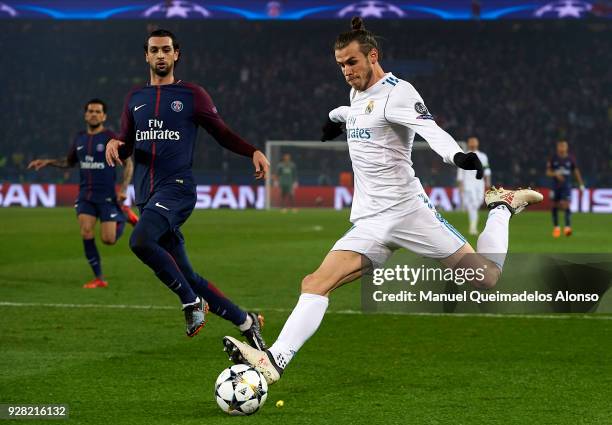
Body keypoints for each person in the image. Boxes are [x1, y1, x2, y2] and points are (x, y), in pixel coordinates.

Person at [222, 17, 543, 385]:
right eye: (340, 64)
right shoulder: (356, 93)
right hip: (371, 221)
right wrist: (334, 120)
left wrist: (456, 157)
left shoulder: (399, 93)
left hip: (409, 213)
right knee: (314, 283)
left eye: (352, 62)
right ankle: (273, 361)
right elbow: (352, 112)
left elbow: (430, 129)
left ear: (373, 56)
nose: (346, 71)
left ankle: (501, 206)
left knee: (485, 278)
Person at [105, 29, 270, 346]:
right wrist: (116, 143)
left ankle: (190, 302)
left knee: (140, 241)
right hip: (146, 195)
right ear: (147, 56)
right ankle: (246, 322)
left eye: (167, 49)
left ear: (176, 54)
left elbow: (221, 133)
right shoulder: (134, 99)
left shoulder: (192, 95)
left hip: (177, 188)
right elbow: (127, 146)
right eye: (155, 50)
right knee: (187, 275)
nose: (161, 55)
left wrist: (252, 150)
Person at [28, 99, 138, 289]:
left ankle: (124, 215)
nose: (94, 114)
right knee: (86, 231)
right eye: (91, 111)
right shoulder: (79, 139)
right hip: (85, 196)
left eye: (98, 111)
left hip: (106, 197)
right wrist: (48, 162)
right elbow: (69, 162)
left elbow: (128, 162)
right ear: (85, 115)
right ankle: (99, 278)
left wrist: (124, 188)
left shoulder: (110, 137)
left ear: (104, 116)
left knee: (109, 240)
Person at [546, 140, 584, 237]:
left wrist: (581, 184)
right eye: (560, 146)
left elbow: (576, 171)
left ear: (567, 147)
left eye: (564, 146)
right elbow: (548, 172)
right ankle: (556, 228)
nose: (562, 148)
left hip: (566, 186)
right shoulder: (553, 158)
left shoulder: (570, 159)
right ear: (557, 147)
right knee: (555, 205)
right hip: (555, 186)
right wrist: (555, 174)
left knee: (565, 204)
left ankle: (567, 228)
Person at [457, 136, 491, 235]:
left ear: (477, 143)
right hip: (468, 183)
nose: (472, 143)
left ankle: (472, 224)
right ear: (468, 144)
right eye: (471, 142)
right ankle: (473, 227)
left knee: (478, 202)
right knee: (472, 205)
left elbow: (487, 170)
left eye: (474, 142)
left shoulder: (483, 156)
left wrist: (488, 183)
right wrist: (460, 185)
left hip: (479, 183)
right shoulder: (464, 156)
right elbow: (460, 172)